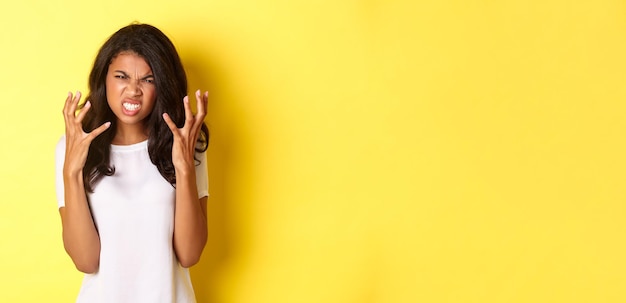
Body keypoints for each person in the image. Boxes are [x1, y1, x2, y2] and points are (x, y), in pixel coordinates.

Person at [54, 23, 210, 303]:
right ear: (104, 80)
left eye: (148, 80)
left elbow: (189, 254)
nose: (133, 90)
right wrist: (71, 171)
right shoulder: (72, 148)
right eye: (121, 76)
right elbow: (86, 261)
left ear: (162, 85)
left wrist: (184, 168)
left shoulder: (186, 144)